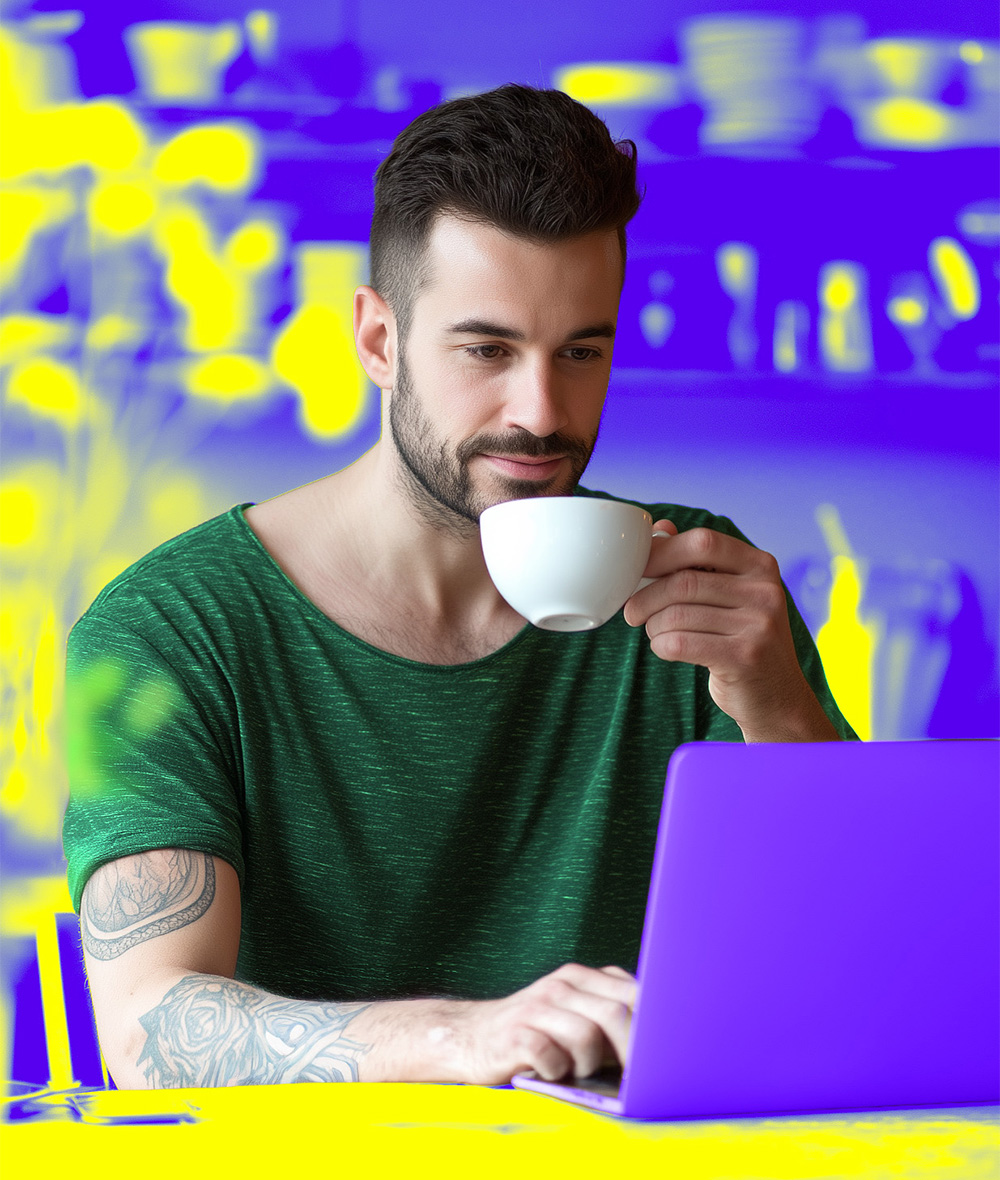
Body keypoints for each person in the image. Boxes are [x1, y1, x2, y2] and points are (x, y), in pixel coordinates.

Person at [63, 84, 857, 1092]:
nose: (540, 411)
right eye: (487, 349)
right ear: (378, 341)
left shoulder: (706, 592)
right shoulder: (172, 632)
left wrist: (782, 711)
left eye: (581, 351)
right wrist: (465, 1038)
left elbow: (852, 972)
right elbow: (148, 1032)